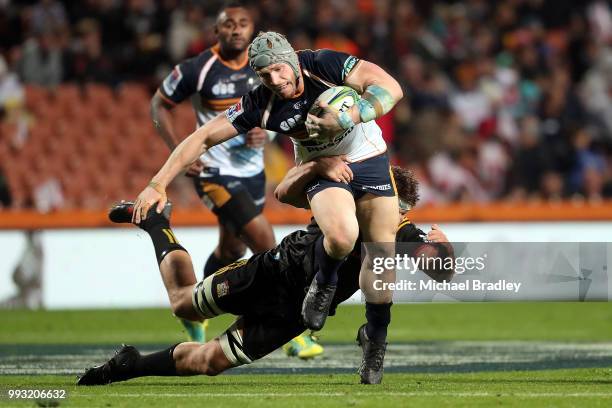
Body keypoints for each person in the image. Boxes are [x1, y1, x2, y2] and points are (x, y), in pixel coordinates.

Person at [132, 32, 404, 356]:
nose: (275, 80)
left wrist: (347, 116)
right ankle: (320, 288)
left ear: (293, 60)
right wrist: (157, 184)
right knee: (337, 236)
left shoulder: (322, 64)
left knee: (378, 250)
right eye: (264, 75)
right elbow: (204, 137)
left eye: (278, 69)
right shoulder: (261, 102)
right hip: (318, 168)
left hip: (365, 157)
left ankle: (371, 335)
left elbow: (390, 88)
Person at [77, 164, 453, 386]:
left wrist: (443, 249)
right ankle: (156, 222)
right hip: (273, 272)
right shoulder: (343, 192)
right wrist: (315, 167)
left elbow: (439, 268)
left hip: (293, 315)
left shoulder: (400, 231)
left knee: (211, 363)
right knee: (184, 304)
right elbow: (284, 191)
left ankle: (131, 365)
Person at [149, 2, 277, 344]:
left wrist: (269, 133)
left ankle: (195, 311)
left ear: (253, 30)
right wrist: (178, 149)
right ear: (216, 31)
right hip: (214, 171)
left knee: (231, 251)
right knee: (264, 240)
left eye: (243, 23)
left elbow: (280, 107)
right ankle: (284, 325)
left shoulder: (265, 65)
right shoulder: (199, 68)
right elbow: (159, 104)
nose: (236, 29)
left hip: (253, 171)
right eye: (228, 24)